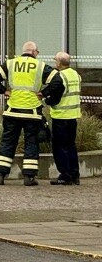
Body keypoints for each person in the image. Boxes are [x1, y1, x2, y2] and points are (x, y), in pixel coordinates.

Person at [0, 41, 63, 186]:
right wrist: (44, 93)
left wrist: (4, 91)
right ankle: (29, 177)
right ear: (34, 52)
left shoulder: (11, 63)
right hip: (32, 113)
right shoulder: (40, 66)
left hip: (12, 111)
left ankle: (0, 176)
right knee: (31, 142)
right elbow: (58, 81)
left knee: (8, 142)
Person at [48, 51, 82, 185]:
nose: (54, 62)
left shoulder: (60, 76)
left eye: (55, 60)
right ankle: (75, 174)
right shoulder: (76, 74)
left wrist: (47, 100)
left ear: (59, 63)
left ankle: (65, 175)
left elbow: (55, 97)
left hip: (60, 116)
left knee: (60, 147)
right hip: (73, 116)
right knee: (71, 146)